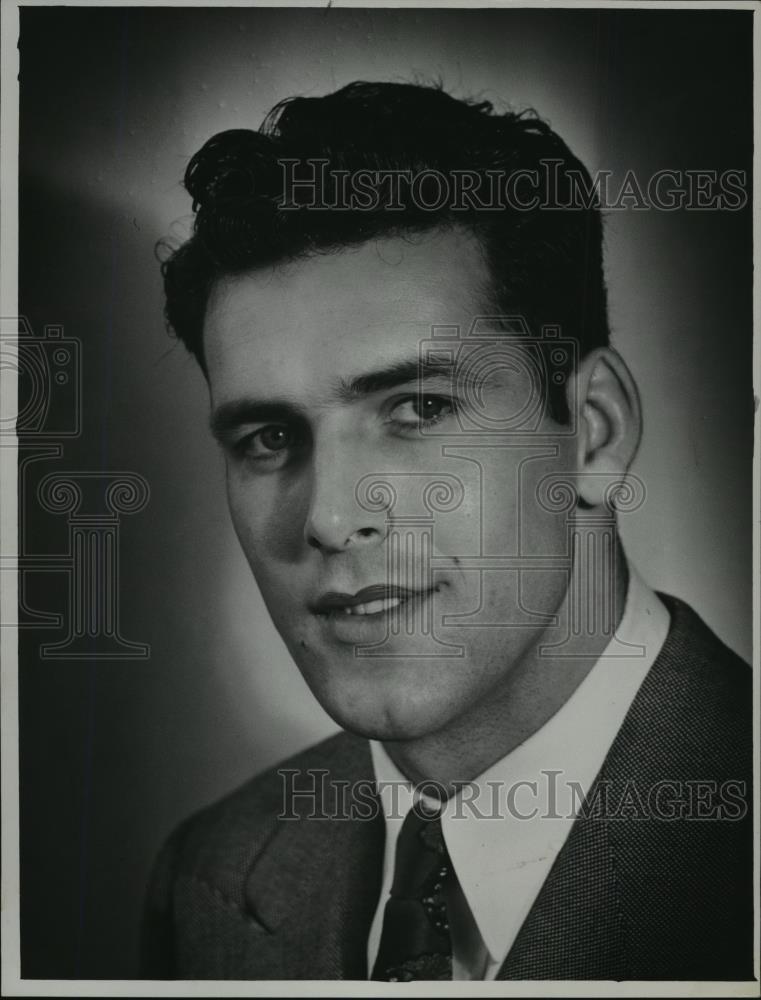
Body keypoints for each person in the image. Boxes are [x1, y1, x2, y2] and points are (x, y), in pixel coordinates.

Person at [141, 82, 753, 981]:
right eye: (269, 438)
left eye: (417, 407)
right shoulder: (210, 873)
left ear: (595, 431)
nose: (329, 516)